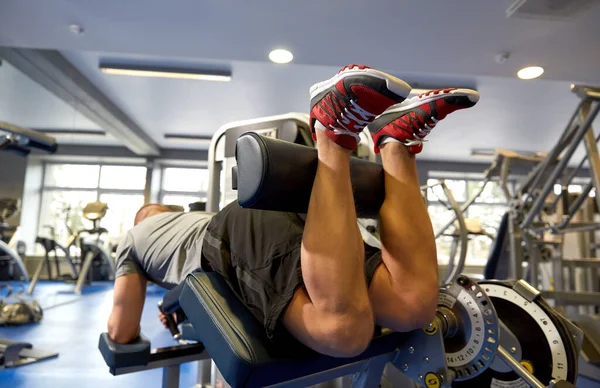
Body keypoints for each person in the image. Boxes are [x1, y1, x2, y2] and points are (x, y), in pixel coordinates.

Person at [107, 64, 480, 358]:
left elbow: (121, 330)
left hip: (231, 236)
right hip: (266, 217)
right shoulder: (187, 221)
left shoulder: (133, 239)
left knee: (343, 332)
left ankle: (332, 136)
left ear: (145, 217)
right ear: (166, 212)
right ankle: (396, 143)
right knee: (412, 308)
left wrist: (127, 337)